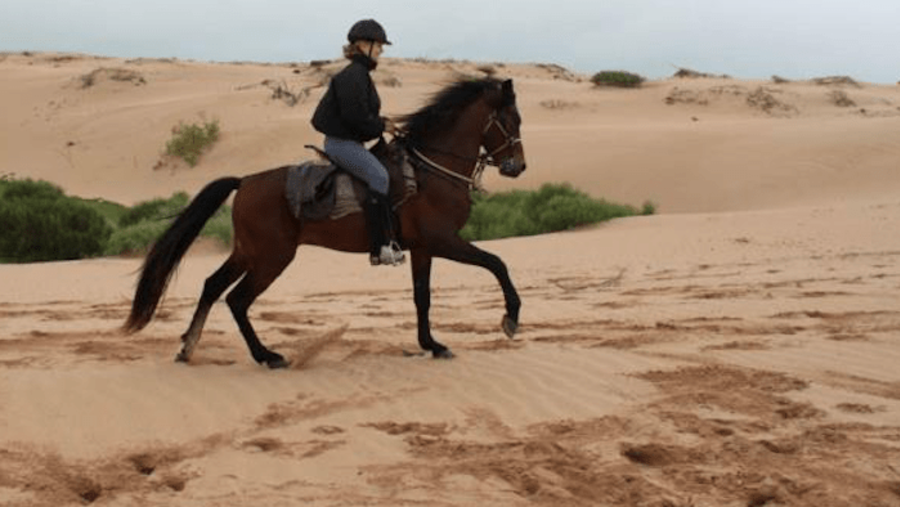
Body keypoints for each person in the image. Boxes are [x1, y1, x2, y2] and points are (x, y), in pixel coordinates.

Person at [312, 19, 405, 266]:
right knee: (380, 177)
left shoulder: (359, 74)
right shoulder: (353, 76)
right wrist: (381, 125)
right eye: (379, 45)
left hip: (351, 142)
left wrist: (382, 123)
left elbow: (362, 116)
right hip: (342, 144)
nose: (381, 50)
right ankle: (380, 248)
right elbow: (356, 118)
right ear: (364, 44)